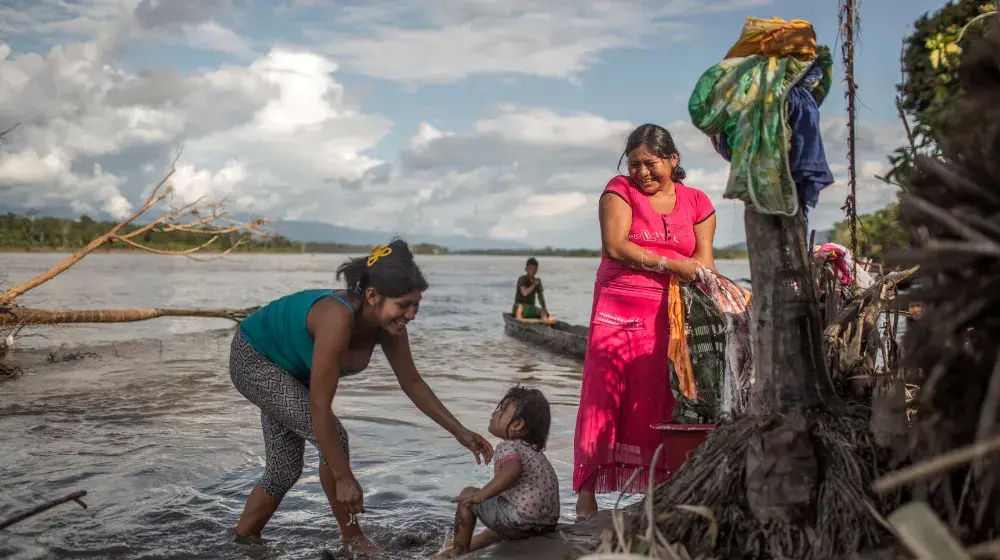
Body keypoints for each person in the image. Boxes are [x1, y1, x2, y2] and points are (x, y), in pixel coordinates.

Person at [228, 238, 495, 553]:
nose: (411, 314)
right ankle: (353, 539)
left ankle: (242, 543)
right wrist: (343, 476)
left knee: (284, 469)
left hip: (291, 368)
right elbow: (319, 404)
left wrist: (460, 431)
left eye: (416, 304)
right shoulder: (337, 319)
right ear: (372, 296)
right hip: (256, 358)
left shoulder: (390, 327)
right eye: (404, 305)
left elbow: (413, 383)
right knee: (333, 441)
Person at [572, 124, 718, 521]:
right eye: (634, 164)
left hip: (671, 312)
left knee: (664, 396)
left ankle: (660, 488)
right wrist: (674, 263)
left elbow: (705, 262)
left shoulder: (698, 202)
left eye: (650, 164)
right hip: (617, 309)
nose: (642, 173)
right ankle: (586, 496)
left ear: (673, 160)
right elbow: (617, 246)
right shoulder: (619, 189)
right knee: (605, 397)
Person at [431, 386, 559, 559]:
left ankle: (458, 551)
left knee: (468, 495)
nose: (494, 413)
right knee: (495, 529)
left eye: (501, 409)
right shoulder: (535, 453)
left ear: (517, 424)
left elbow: (512, 469)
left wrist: (481, 494)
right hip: (545, 522)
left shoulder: (508, 445)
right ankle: (453, 546)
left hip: (521, 519)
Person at [512, 258, 555, 324]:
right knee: (519, 307)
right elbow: (525, 293)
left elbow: (540, 297)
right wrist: (534, 284)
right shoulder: (522, 279)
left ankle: (545, 322)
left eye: (535, 269)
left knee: (542, 311)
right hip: (520, 306)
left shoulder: (537, 281)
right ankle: (521, 320)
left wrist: (544, 309)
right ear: (526, 269)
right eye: (531, 269)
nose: (533, 271)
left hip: (530, 307)